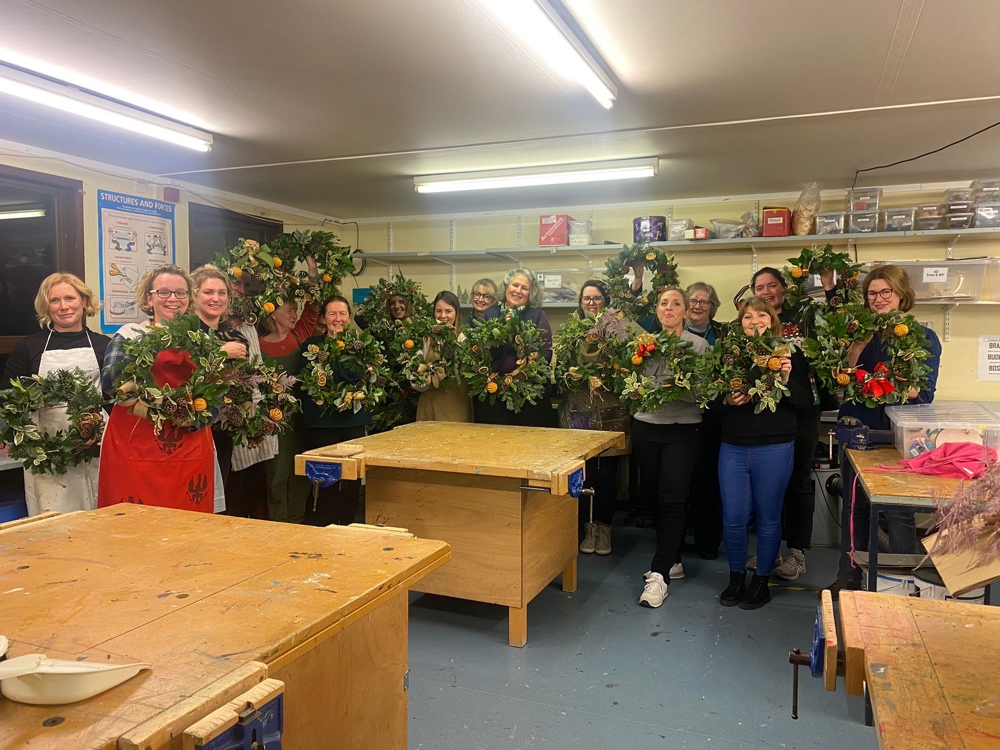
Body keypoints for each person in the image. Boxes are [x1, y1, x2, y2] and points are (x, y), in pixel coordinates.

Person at [833, 265, 941, 594]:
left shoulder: (923, 337)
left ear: (901, 295)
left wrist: (885, 385)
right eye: (872, 294)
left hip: (896, 437)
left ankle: (904, 583)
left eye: (885, 292)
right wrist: (856, 344)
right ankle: (851, 578)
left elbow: (921, 393)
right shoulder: (858, 334)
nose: (878, 299)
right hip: (855, 431)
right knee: (855, 509)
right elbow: (842, 380)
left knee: (898, 510)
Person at [714, 297, 813, 610]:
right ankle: (735, 577)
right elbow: (711, 402)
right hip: (733, 446)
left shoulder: (790, 354)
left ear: (772, 321)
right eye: (747, 316)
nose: (754, 321)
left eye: (761, 315)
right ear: (739, 322)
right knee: (733, 518)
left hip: (775, 446)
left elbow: (805, 403)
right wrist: (727, 402)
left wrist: (785, 380)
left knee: (769, 517)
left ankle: (761, 581)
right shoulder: (728, 354)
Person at [98, 265, 219, 512]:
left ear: (189, 299)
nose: (173, 299)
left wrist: (197, 417)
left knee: (188, 528)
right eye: (164, 292)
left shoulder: (202, 341)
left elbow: (217, 393)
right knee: (132, 527)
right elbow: (112, 385)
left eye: (181, 293)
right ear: (149, 298)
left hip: (189, 447)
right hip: (135, 447)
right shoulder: (129, 336)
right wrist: (160, 405)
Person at [1, 273, 111, 515]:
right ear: (46, 306)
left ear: (83, 301)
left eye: (70, 298)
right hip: (46, 449)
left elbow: (113, 399)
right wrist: (6, 432)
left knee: (97, 511)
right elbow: (7, 396)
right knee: (53, 516)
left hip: (95, 445)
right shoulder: (28, 347)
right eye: (54, 300)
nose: (63, 307)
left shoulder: (104, 345)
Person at [634, 288, 709, 608]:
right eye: (663, 302)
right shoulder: (642, 345)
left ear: (685, 311)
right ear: (657, 309)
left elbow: (705, 394)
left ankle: (659, 573)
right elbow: (632, 386)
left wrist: (677, 386)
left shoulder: (699, 346)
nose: (669, 307)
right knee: (653, 498)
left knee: (672, 499)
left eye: (675, 303)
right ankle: (673, 558)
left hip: (682, 430)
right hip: (646, 427)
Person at [749, 267, 822, 580]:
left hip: (803, 409)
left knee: (798, 480)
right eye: (760, 287)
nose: (766, 292)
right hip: (769, 414)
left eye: (772, 285)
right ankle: (771, 550)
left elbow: (831, 329)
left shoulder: (803, 318)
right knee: (770, 483)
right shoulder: (754, 325)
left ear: (784, 288)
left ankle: (797, 553)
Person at [563, 280, 630, 557]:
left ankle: (604, 529)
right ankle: (586, 528)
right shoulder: (570, 332)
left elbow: (630, 363)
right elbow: (559, 371)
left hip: (611, 411)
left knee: (607, 476)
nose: (591, 303)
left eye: (597, 298)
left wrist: (610, 374)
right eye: (586, 298)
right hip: (579, 412)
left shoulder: (620, 328)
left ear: (606, 300)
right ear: (580, 302)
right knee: (582, 476)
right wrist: (574, 375)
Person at [299, 296, 371, 526]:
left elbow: (369, 380)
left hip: (353, 423)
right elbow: (306, 384)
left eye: (342, 314)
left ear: (349, 317)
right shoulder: (312, 347)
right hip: (322, 426)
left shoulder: (362, 346)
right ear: (323, 318)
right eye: (332, 314)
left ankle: (348, 524)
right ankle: (323, 525)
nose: (338, 319)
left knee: (351, 482)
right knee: (325, 481)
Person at [219, 272, 277, 519]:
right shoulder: (208, 327)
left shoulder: (249, 322)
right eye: (236, 284)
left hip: (253, 410)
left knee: (251, 484)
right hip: (221, 416)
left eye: (245, 285)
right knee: (228, 486)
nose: (241, 290)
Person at [259, 298, 320, 524]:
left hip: (300, 418)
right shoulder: (258, 343)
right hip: (272, 421)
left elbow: (313, 307)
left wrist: (312, 267)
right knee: (276, 474)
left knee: (299, 472)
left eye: (295, 310)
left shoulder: (300, 336)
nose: (294, 315)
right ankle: (279, 524)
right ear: (273, 314)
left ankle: (298, 521)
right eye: (289, 310)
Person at [474, 268, 556, 428]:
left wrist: (523, 372)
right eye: (515, 285)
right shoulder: (490, 315)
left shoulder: (537, 315)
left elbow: (545, 354)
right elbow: (480, 352)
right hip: (494, 395)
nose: (518, 291)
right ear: (506, 287)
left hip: (529, 398)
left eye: (524, 288)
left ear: (530, 293)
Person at [191, 265, 248, 487]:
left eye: (221, 293)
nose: (216, 299)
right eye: (208, 292)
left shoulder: (235, 335)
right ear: (195, 295)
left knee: (220, 490)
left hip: (224, 427)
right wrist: (221, 352)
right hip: (192, 425)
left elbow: (243, 380)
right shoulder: (183, 332)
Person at [683, 282, 725, 559]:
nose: (698, 306)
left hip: (714, 416)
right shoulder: (671, 333)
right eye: (693, 301)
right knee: (684, 479)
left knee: (710, 480)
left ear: (713, 307)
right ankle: (679, 538)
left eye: (704, 302)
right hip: (682, 416)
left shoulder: (723, 333)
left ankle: (708, 541)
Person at [414, 291, 473, 422]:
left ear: (456, 313)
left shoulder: (465, 339)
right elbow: (414, 379)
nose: (443, 316)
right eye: (438, 311)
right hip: (430, 405)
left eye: (448, 311)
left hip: (457, 406)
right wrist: (429, 377)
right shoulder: (425, 339)